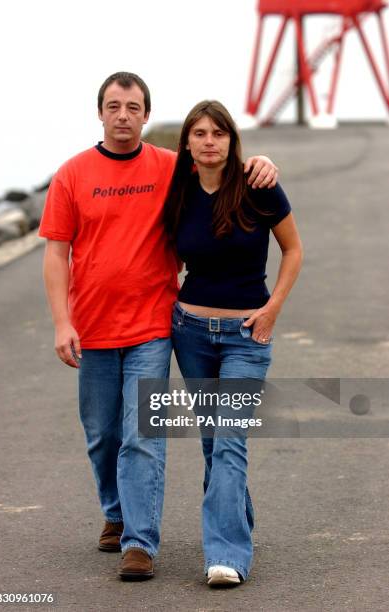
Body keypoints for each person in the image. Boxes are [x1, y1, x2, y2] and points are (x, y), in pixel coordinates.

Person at [38, 72, 279, 581]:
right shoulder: (71, 174)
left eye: (133, 107)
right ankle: (116, 511)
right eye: (113, 106)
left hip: (154, 325)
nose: (122, 115)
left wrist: (261, 163)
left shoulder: (173, 170)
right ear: (99, 112)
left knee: (144, 436)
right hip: (93, 328)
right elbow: (56, 253)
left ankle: (139, 543)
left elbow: (222, 166)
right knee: (103, 436)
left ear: (147, 116)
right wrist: (62, 322)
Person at [163, 100, 303, 586]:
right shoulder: (176, 190)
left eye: (218, 133)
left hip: (247, 335)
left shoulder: (258, 185)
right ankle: (236, 527)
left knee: (229, 442)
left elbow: (293, 249)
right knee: (214, 444)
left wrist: (273, 308)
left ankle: (225, 557)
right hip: (192, 334)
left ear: (231, 139)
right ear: (186, 142)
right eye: (199, 133)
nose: (208, 141)